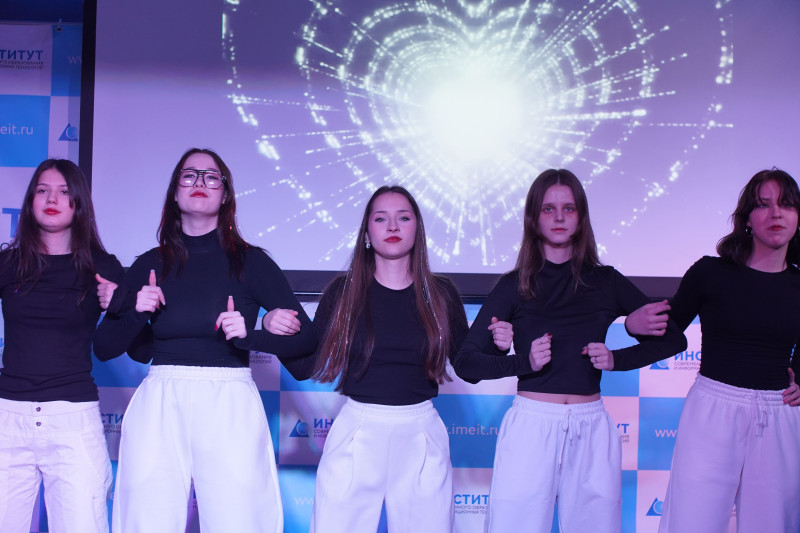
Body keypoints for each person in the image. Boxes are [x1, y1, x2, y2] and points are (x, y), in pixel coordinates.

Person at [92, 148, 316, 533]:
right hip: (160, 400)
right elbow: (105, 346)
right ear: (174, 192)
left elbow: (308, 346)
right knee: (147, 520)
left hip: (230, 399)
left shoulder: (251, 262)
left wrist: (253, 335)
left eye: (211, 177)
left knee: (240, 521)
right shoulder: (149, 264)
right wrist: (136, 311)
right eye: (189, 175)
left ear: (225, 195)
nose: (200, 182)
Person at [453, 169, 687, 533]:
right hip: (531, 426)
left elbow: (675, 340)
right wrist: (522, 362)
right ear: (533, 218)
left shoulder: (606, 281)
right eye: (548, 209)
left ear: (581, 217)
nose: (559, 217)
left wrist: (621, 348)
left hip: (591, 426)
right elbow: (466, 364)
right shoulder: (514, 284)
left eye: (569, 208)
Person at [265, 185, 475, 532]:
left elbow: (469, 365)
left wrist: (500, 344)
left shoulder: (441, 293)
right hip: (357, 429)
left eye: (403, 218)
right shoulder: (343, 292)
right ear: (366, 233)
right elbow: (305, 367)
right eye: (381, 219)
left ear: (417, 229)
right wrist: (270, 330)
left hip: (421, 432)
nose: (392, 226)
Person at [626, 169, 800, 533]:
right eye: (764, 204)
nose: (776, 213)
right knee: (692, 521)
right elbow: (667, 332)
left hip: (779, 414)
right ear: (747, 219)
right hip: (712, 410)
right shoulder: (710, 272)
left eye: (786, 204)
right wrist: (631, 326)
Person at [0, 159, 124, 532]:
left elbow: (132, 343)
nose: (52, 199)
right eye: (43, 190)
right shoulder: (7, 263)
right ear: (30, 201)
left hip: (73, 421)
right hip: (8, 420)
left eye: (64, 191)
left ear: (79, 202)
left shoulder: (102, 266)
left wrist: (118, 304)